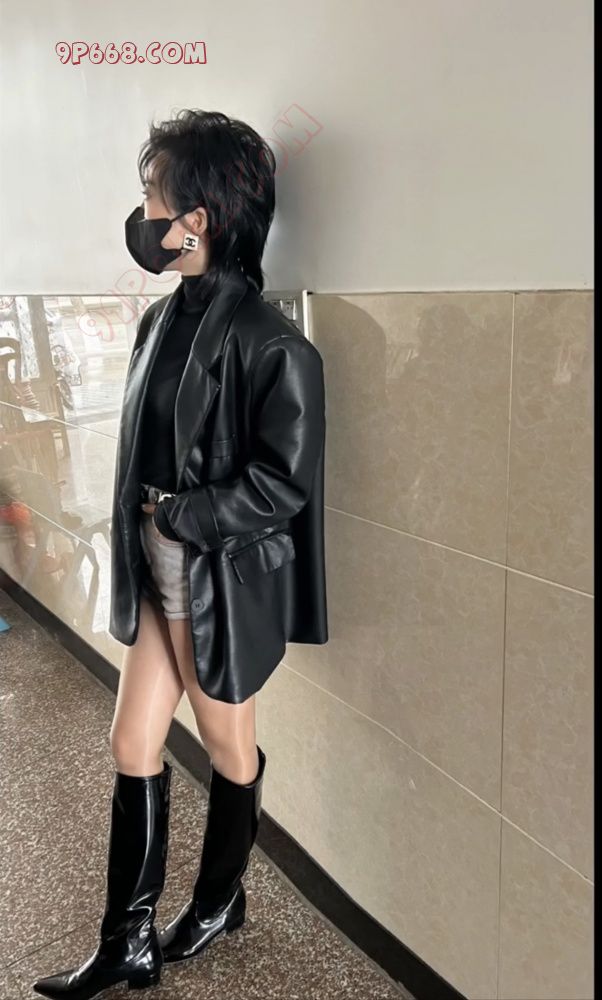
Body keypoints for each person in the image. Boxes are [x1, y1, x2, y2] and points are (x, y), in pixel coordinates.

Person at [33, 109, 327, 999]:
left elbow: (283, 485)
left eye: (153, 197)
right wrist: (147, 525)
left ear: (197, 218)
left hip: (217, 580)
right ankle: (126, 941)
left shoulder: (275, 344)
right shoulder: (159, 322)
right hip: (157, 562)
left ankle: (218, 899)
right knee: (132, 741)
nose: (144, 214)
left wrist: (179, 518)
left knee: (230, 749)